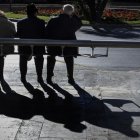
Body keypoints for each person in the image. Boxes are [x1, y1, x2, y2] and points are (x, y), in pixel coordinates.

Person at [45, 4, 82, 85]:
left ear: (62, 10)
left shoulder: (53, 20)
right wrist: (74, 15)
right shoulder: (72, 21)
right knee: (69, 59)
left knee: (51, 57)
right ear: (71, 12)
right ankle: (70, 78)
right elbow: (79, 23)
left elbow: (46, 32)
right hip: (68, 47)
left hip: (53, 46)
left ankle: (49, 77)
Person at [17, 3, 45, 83]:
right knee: (39, 58)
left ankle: (23, 77)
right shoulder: (41, 22)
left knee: (22, 59)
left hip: (24, 47)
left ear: (27, 12)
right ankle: (39, 77)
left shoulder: (20, 22)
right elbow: (43, 34)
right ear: (36, 12)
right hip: (38, 46)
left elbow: (18, 34)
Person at [0, 10, 16, 82]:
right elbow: (14, 34)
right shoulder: (10, 23)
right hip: (7, 48)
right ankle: (1, 75)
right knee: (1, 56)